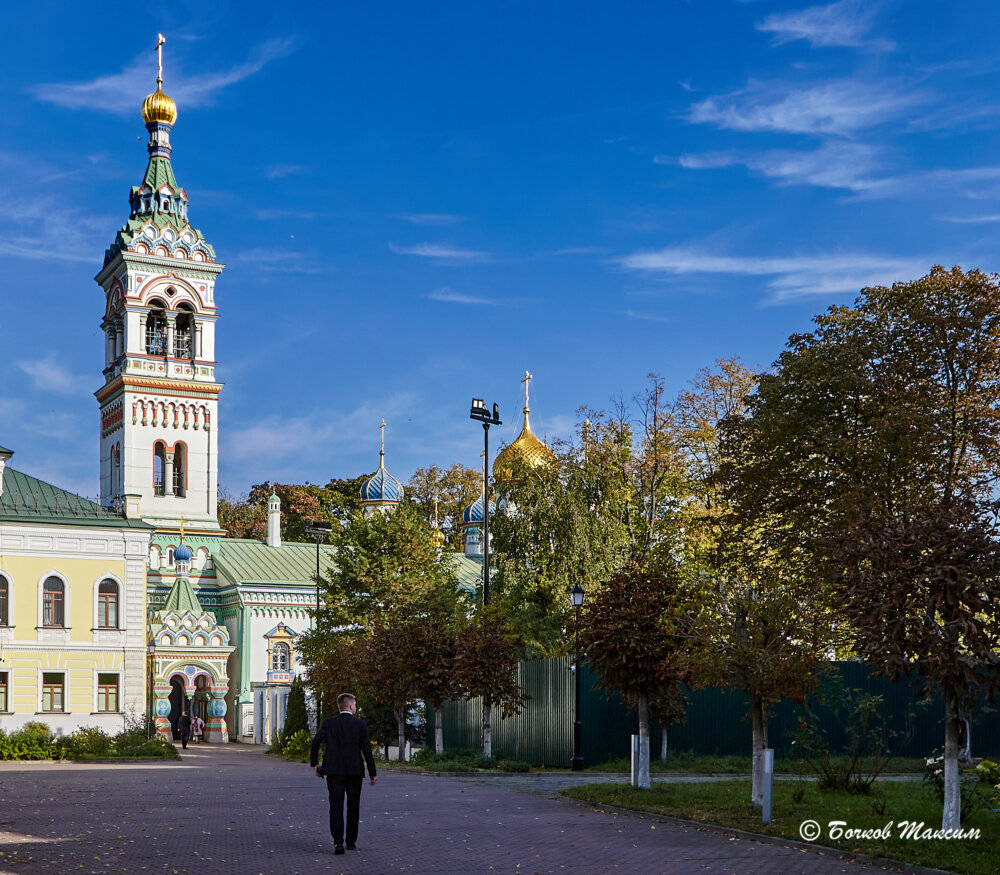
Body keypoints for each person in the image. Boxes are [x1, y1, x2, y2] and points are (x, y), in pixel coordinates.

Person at [310, 692, 377, 855]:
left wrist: (315, 763)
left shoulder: (329, 723)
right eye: (355, 704)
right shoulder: (360, 725)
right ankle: (351, 841)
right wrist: (372, 773)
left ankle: (338, 843)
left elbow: (316, 742)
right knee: (353, 806)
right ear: (351, 706)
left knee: (336, 806)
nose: (356, 707)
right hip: (354, 771)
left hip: (333, 771)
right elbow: (367, 750)